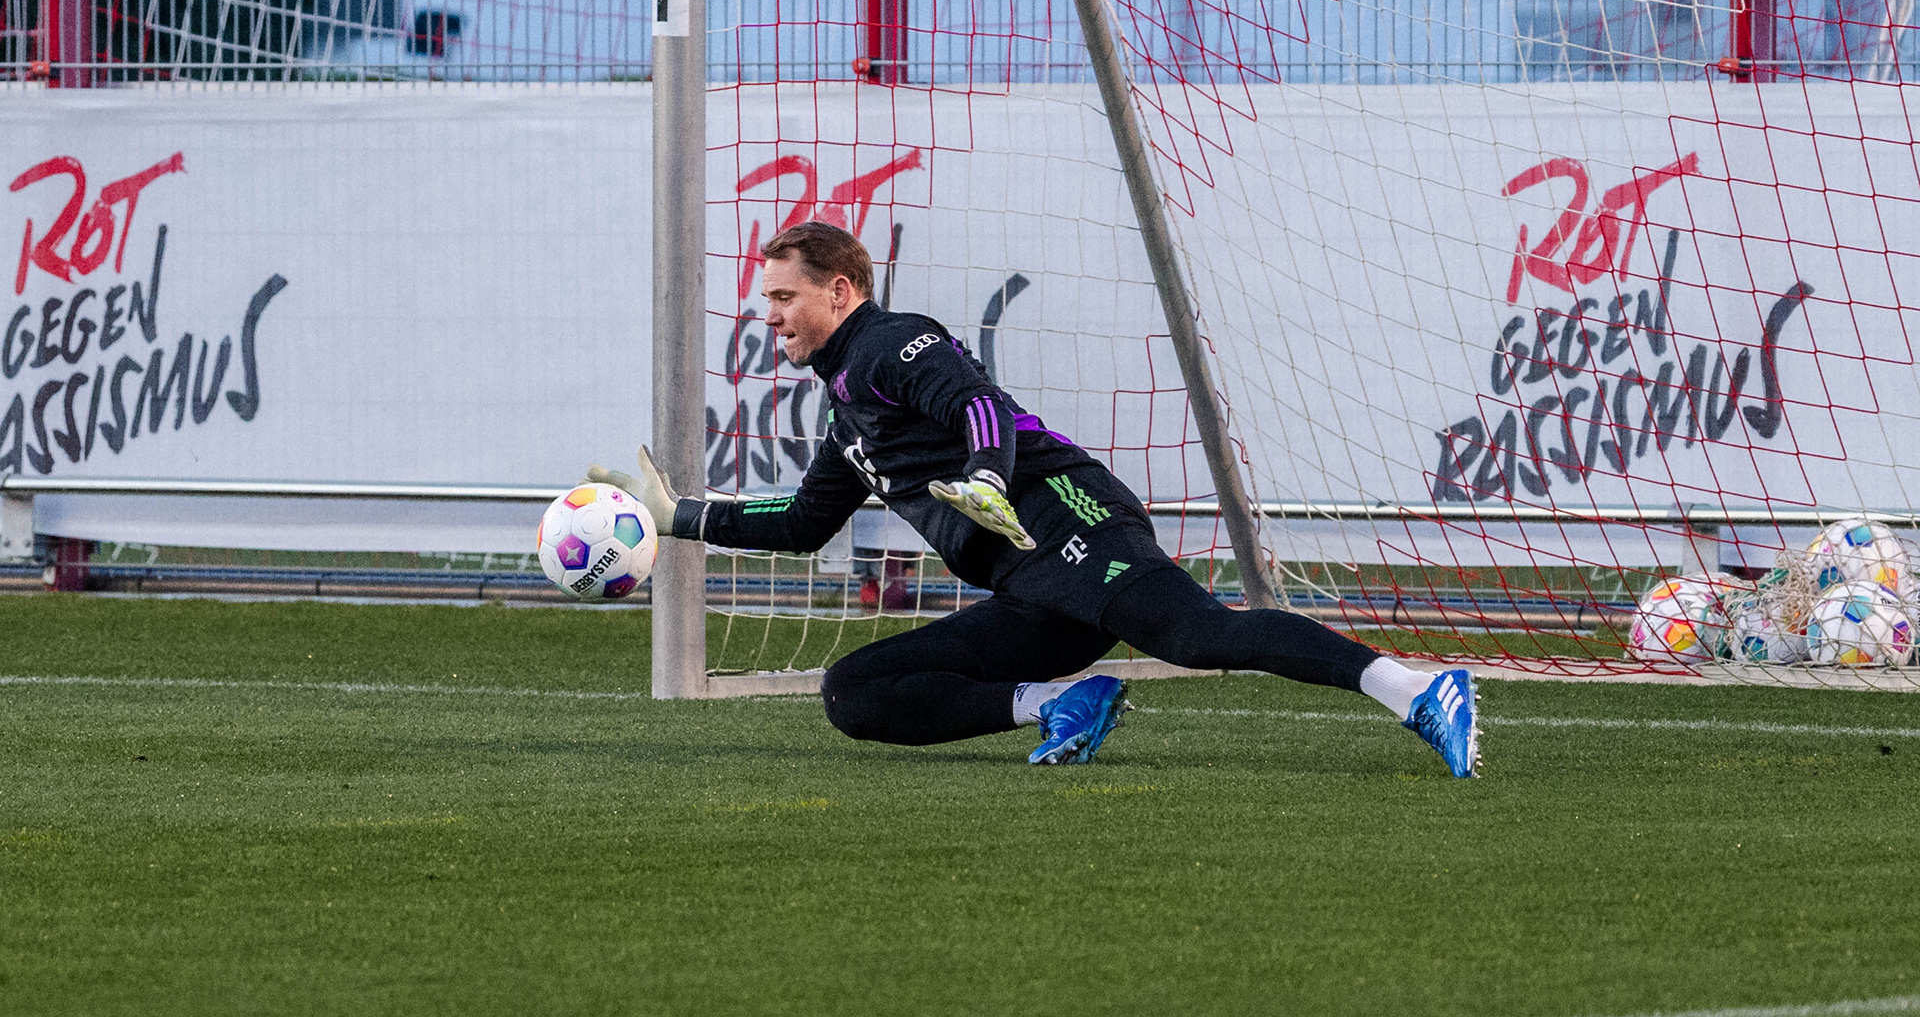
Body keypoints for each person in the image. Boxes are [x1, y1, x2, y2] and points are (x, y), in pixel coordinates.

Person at [592, 222, 1481, 775]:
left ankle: (1415, 687)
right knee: (857, 692)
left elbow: (979, 403)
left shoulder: (892, 342)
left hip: (1067, 516)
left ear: (840, 289)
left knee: (1196, 633)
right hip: (1031, 585)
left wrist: (984, 475)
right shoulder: (848, 418)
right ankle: (1058, 705)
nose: (772, 314)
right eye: (768, 301)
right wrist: (676, 519)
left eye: (784, 297)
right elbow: (798, 524)